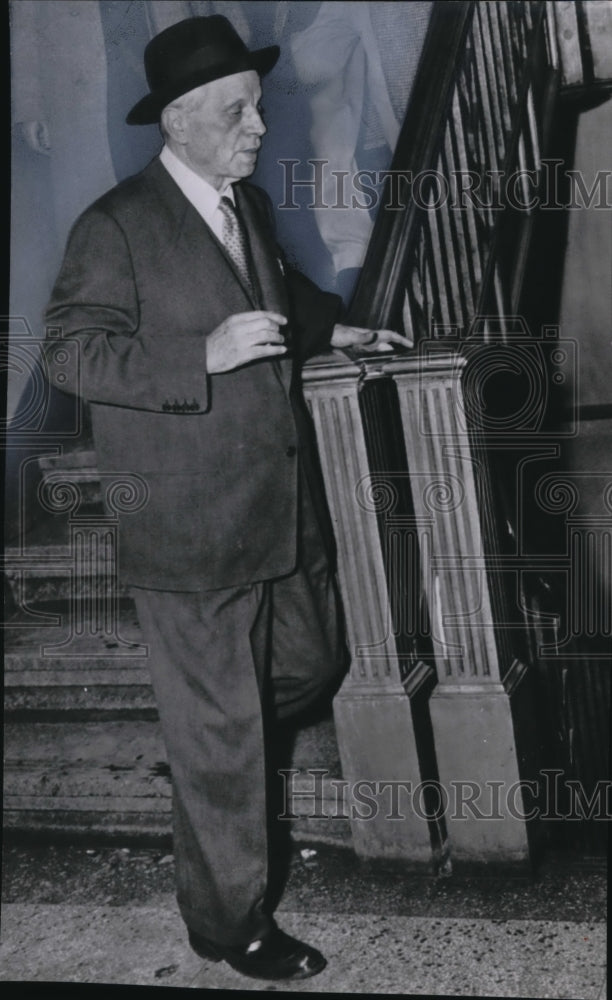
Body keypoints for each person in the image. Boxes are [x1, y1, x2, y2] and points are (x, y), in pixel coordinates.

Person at [44, 15, 410, 982]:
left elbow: (279, 295)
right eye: (238, 112)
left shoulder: (238, 208)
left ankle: (215, 756)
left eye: (253, 107)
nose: (257, 127)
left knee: (312, 661)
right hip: (186, 527)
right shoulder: (116, 224)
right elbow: (69, 350)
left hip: (274, 512)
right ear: (178, 120)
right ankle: (227, 922)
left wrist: (340, 334)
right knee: (220, 732)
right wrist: (195, 357)